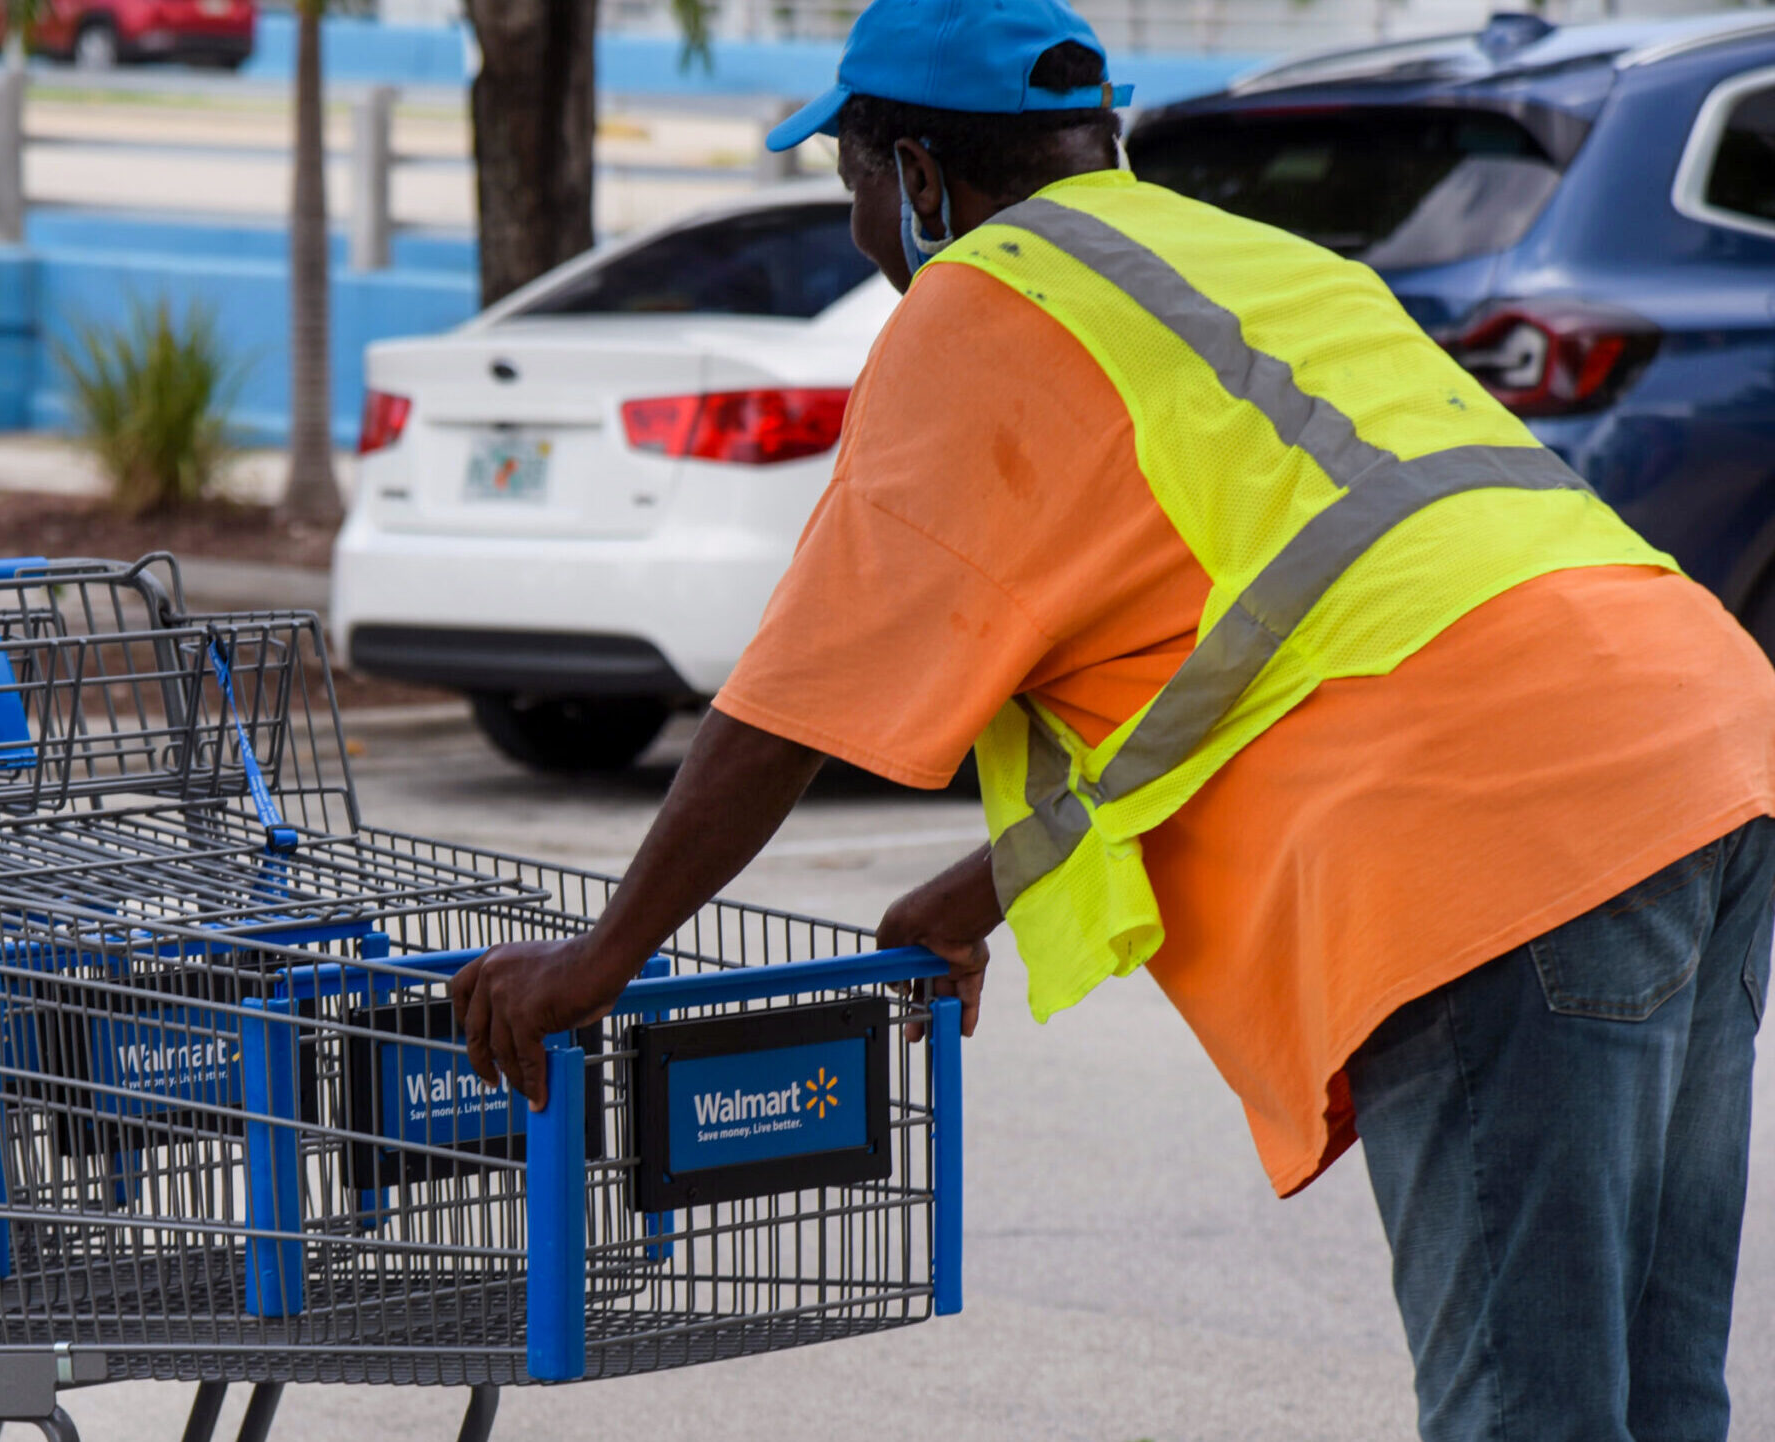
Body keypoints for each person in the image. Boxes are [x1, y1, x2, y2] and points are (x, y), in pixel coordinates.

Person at [446, 0, 1775, 1437]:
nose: (856, 232)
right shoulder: (1245, 262)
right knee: (1652, 1389)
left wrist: (603, 957)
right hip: (1701, 742)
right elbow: (1246, 664)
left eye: (850, 185)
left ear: (919, 177)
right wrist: (973, 894)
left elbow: (783, 707)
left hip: (1500, 833)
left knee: (1535, 1411)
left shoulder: (984, 300)